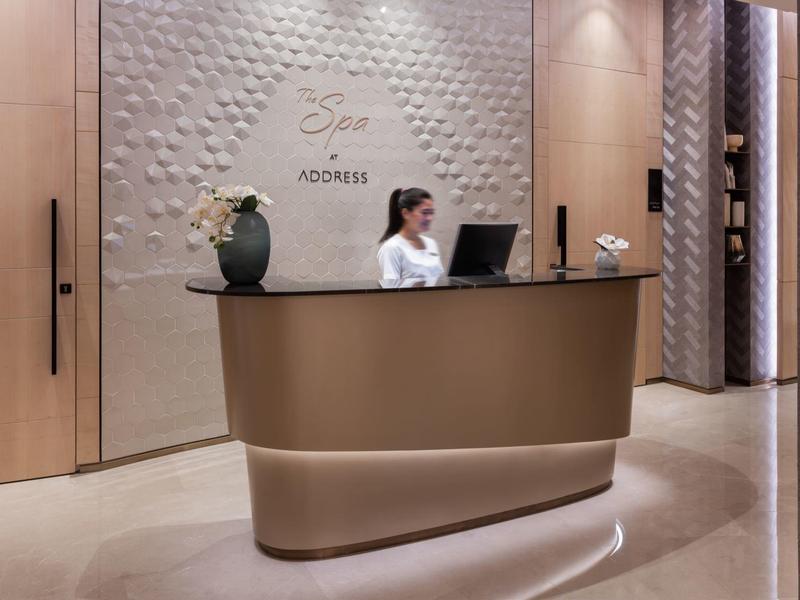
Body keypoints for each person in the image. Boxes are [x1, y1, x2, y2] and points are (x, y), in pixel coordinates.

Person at [377, 188, 444, 280]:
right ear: (405, 213)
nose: (429, 218)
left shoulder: (431, 243)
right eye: (424, 212)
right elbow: (392, 290)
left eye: (431, 213)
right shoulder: (392, 248)